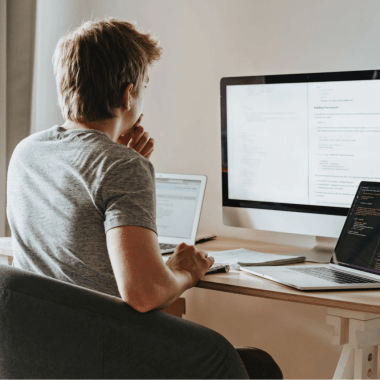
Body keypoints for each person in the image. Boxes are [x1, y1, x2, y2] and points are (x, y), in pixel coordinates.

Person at [6, 18, 282, 379]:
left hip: (38, 353)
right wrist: (184, 271)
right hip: (100, 352)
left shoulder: (27, 152)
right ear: (128, 94)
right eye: (145, 86)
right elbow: (144, 292)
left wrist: (119, 156)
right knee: (257, 365)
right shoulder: (122, 166)